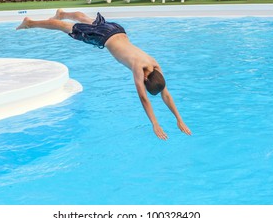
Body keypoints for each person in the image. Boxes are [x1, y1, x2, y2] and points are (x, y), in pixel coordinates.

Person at [16, 9, 191, 140]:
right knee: (66, 28)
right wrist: (155, 124)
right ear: (146, 79)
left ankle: (62, 12)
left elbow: (165, 93)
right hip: (103, 37)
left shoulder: (154, 64)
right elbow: (144, 98)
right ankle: (30, 23)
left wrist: (179, 119)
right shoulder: (138, 68)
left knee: (85, 19)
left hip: (117, 30)